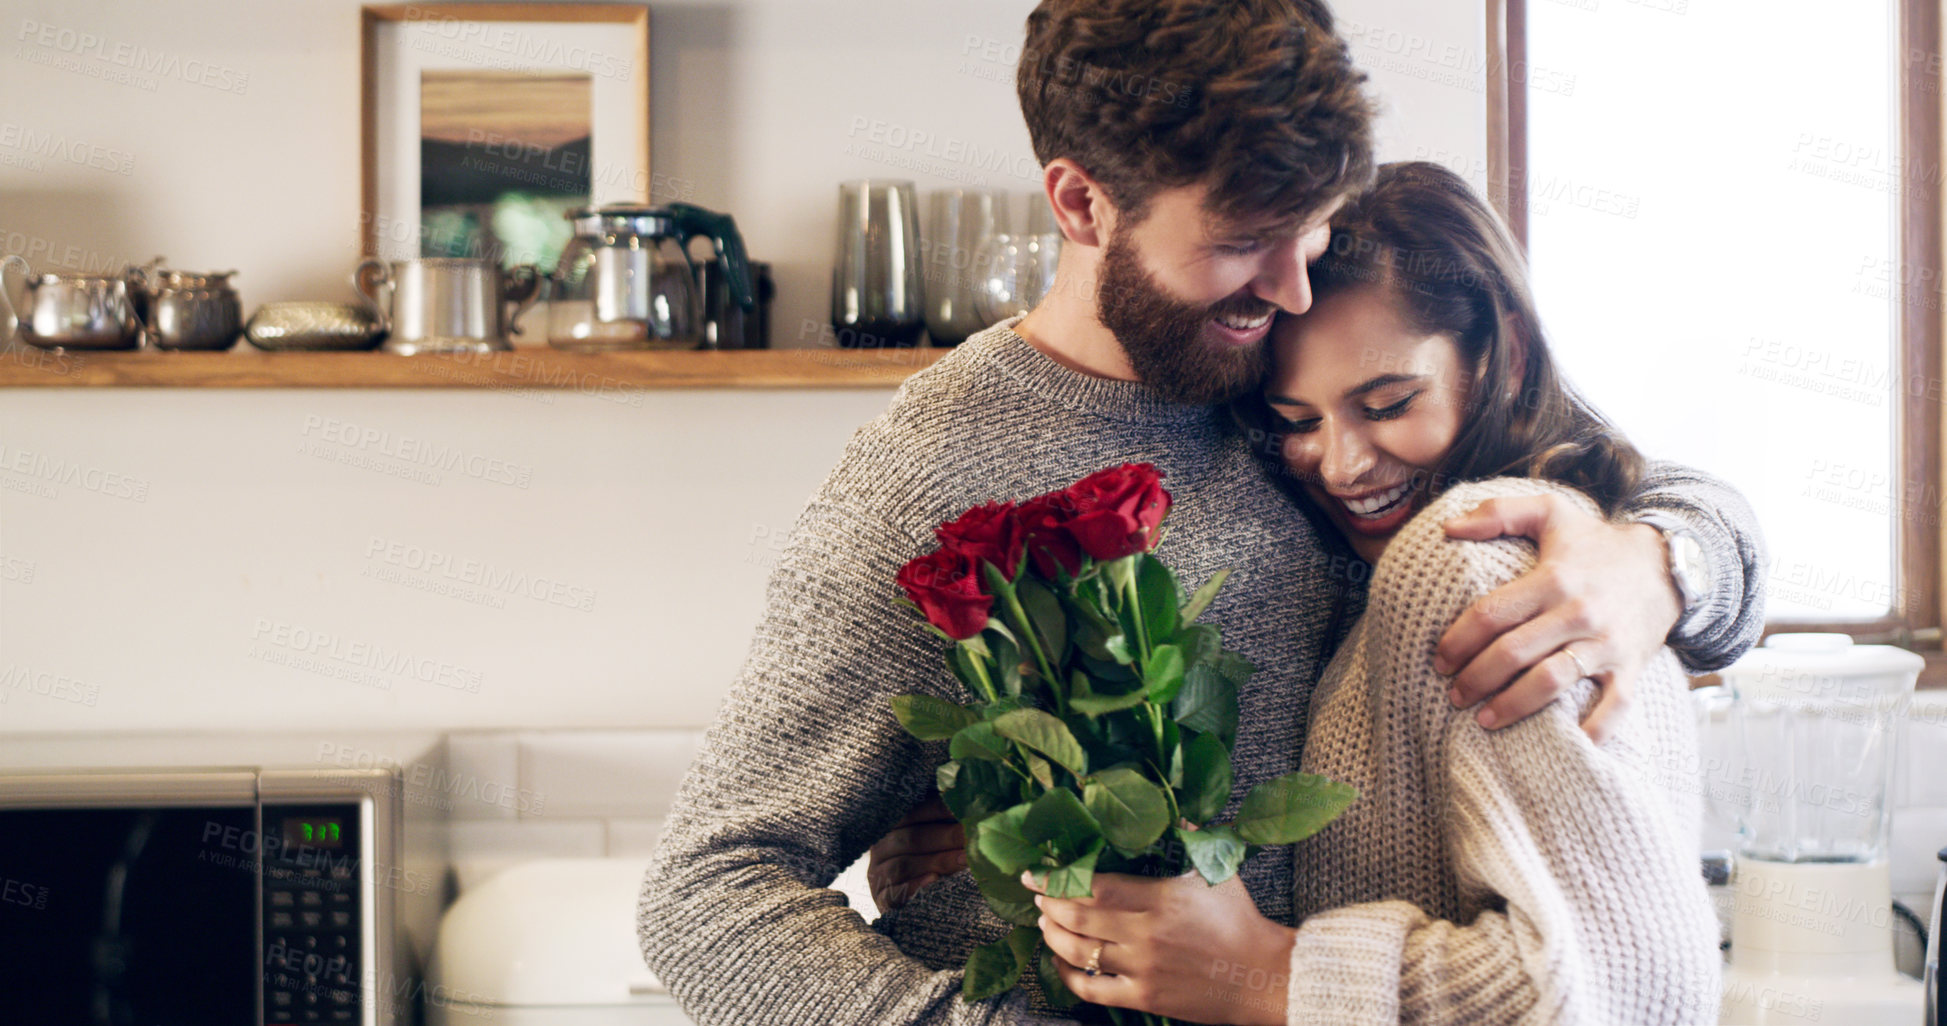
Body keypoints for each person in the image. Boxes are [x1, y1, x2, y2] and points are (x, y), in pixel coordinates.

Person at [639, 3, 1764, 1023]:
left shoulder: (1316, 363)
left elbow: (1582, 462)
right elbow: (710, 890)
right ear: (1082, 202)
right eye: (1240, 242)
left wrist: (1664, 559)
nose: (1290, 288)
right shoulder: (933, 475)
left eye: (1310, 226)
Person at [995, 161, 1728, 1025]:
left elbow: (1639, 989)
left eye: (1386, 404)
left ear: (1505, 354)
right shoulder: (1412, 554)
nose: (1339, 466)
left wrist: (1272, 975)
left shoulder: (1472, 559)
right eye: (1298, 421)